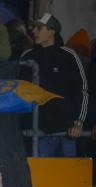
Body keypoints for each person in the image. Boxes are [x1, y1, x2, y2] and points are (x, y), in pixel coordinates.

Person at [20, 15, 88, 156]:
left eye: (39, 27)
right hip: (38, 132)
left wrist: (79, 122)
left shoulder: (69, 55)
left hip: (67, 131)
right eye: (34, 27)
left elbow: (82, 91)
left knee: (68, 170)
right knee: (42, 170)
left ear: (52, 31)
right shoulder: (27, 56)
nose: (34, 31)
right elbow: (20, 94)